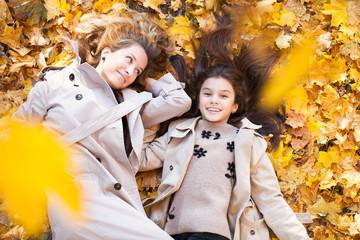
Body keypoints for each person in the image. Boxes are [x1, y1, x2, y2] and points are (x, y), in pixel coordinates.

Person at [12, 11, 191, 240]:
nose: (131, 70)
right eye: (129, 59)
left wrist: (146, 80)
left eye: (137, 70)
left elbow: (179, 101)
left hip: (116, 199)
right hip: (74, 195)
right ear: (106, 51)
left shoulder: (130, 106)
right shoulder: (55, 83)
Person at [140, 20, 311, 240]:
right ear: (199, 98)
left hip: (215, 235)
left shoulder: (246, 142)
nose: (214, 101)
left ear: (235, 105)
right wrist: (156, 109)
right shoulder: (179, 131)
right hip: (171, 234)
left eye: (223, 96)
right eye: (207, 94)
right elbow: (141, 159)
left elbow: (271, 201)